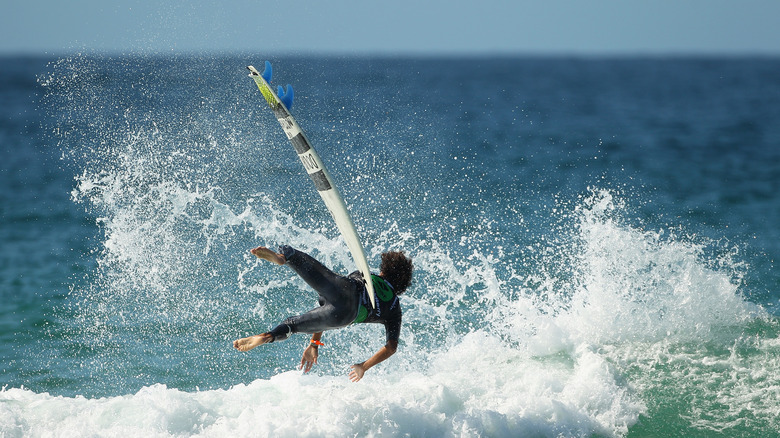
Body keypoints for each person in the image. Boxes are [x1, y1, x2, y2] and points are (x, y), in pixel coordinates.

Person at [233, 244, 413, 382]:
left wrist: (314, 343)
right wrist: (363, 367)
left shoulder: (366, 274)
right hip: (344, 316)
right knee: (292, 325)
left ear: (384, 269)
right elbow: (391, 348)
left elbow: (325, 303)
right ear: (401, 285)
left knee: (291, 253)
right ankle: (268, 336)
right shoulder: (395, 309)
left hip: (343, 288)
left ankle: (282, 258)